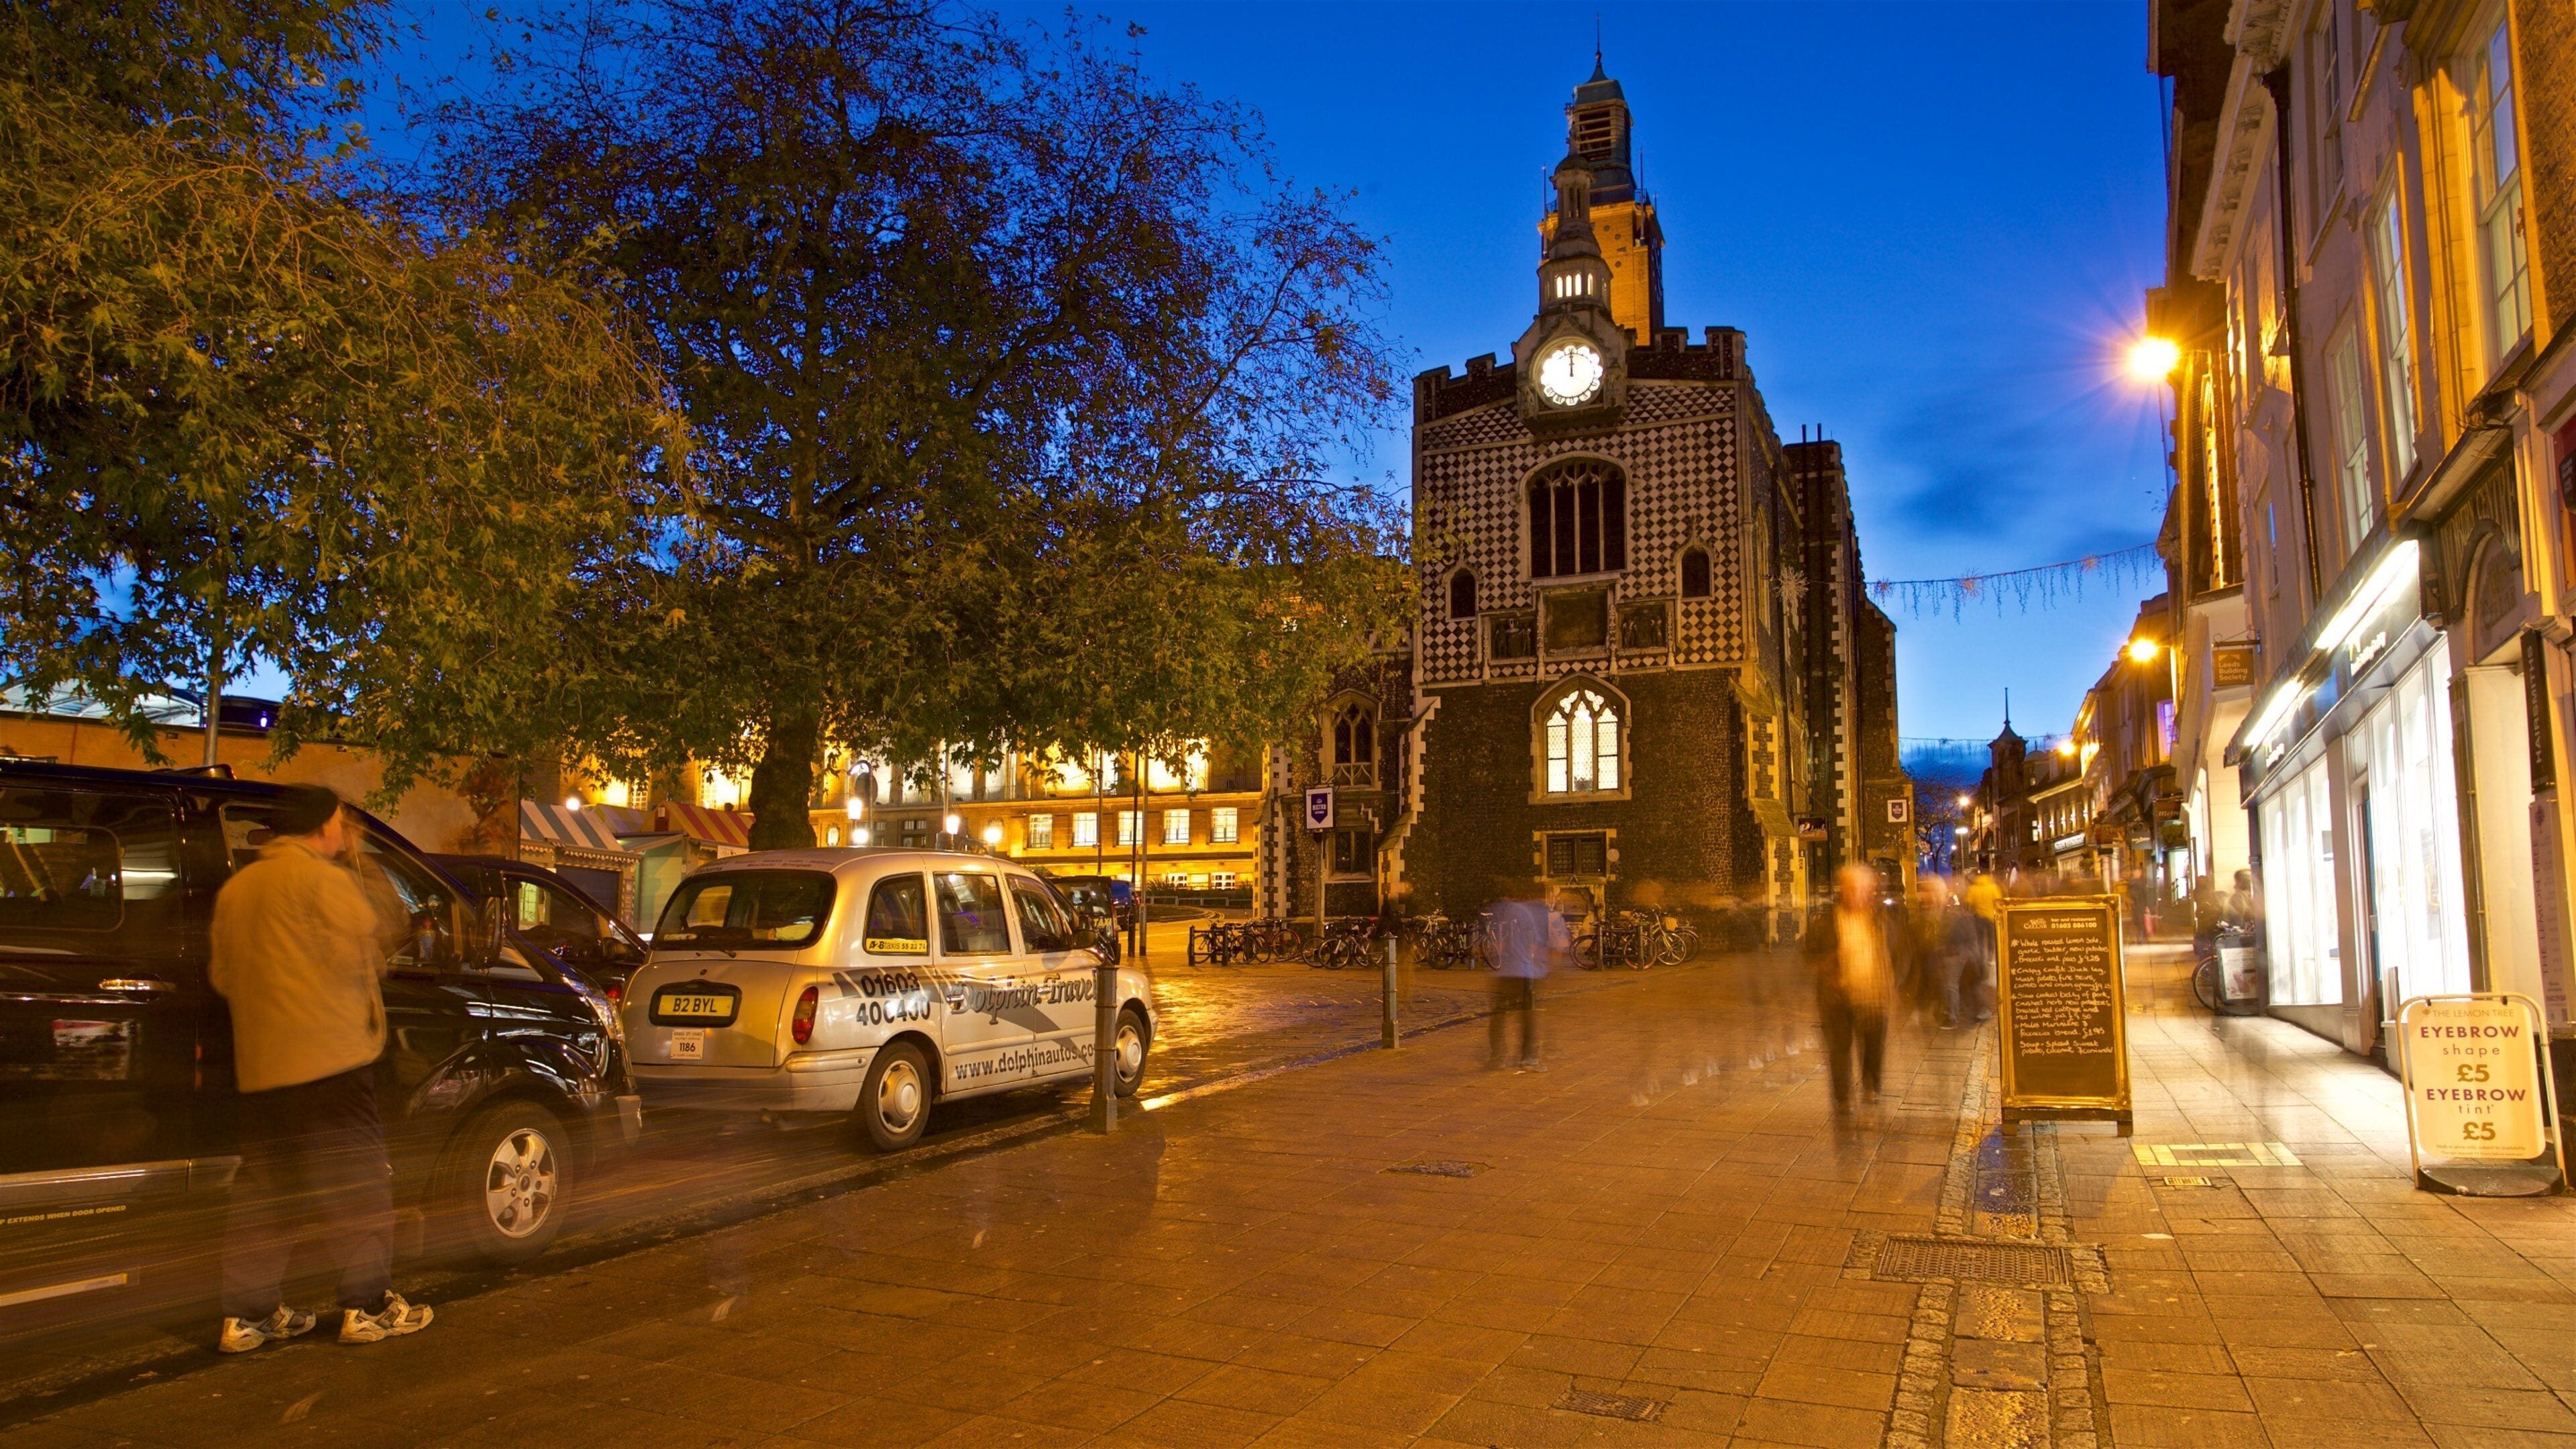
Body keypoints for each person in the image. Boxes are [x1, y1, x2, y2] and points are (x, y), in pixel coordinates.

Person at [211, 784, 435, 1352]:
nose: (345, 829)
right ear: (322, 827)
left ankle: (248, 1314)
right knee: (356, 1186)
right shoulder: (322, 880)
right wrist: (365, 863)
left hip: (263, 1066)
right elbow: (380, 931)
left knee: (268, 1188)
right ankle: (367, 1306)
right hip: (332, 1061)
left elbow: (222, 976)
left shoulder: (238, 890)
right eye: (341, 821)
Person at [1807, 863, 1895, 1109]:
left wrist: (1895, 980)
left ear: (1870, 890)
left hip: (1872, 992)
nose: (1855, 894)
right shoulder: (1827, 919)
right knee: (1840, 1048)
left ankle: (1871, 1085)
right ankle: (1843, 1096)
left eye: (1860, 889)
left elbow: (1899, 951)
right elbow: (1810, 952)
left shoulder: (1881, 918)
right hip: (1838, 996)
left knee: (1873, 1046)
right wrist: (1826, 964)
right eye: (1850, 888)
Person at [1485, 880, 1565, 1071]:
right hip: (1529, 972)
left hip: (1505, 971)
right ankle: (1528, 1058)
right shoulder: (1549, 916)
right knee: (1527, 1016)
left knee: (1499, 1014)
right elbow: (1555, 947)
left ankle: (1497, 1056)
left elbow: (1492, 944)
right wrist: (1548, 971)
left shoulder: (1505, 911)